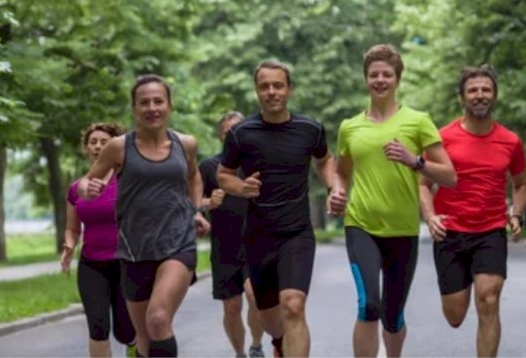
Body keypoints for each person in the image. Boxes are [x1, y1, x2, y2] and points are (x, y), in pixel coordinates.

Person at [335, 44, 457, 358]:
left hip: (402, 230)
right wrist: (337, 193)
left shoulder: (418, 122)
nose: (380, 80)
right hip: (360, 224)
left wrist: (413, 160)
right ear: (365, 79)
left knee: (392, 315)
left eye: (386, 74)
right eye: (373, 74)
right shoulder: (350, 127)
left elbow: (449, 176)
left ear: (397, 79)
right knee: (368, 305)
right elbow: (342, 173)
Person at [217, 60, 345, 358]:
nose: (271, 92)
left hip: (296, 233)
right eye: (265, 86)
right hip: (258, 236)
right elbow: (224, 174)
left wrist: (332, 188)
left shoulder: (309, 129)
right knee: (271, 319)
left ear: (289, 89)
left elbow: (325, 159)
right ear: (257, 91)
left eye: (278, 85)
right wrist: (241, 187)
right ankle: (277, 343)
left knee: (293, 305)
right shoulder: (241, 134)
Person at [79, 74, 210, 357]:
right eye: (144, 102)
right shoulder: (119, 147)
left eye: (158, 101)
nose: (152, 107)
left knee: (159, 318)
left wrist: (197, 210)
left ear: (169, 106)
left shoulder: (185, 144)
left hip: (178, 244)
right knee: (145, 340)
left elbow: (194, 177)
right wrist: (89, 188)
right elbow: (86, 182)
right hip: (134, 250)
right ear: (134, 108)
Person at [419, 65, 526, 357]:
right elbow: (422, 184)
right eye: (473, 90)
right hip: (450, 231)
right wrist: (430, 217)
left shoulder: (510, 141)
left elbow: (522, 184)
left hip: (490, 231)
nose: (480, 95)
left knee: (488, 300)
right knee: (455, 316)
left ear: (494, 96)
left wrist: (516, 214)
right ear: (462, 98)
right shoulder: (441, 138)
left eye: (486, 90)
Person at [61, 122, 137, 357]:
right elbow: (72, 228)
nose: (98, 146)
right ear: (86, 149)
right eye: (93, 142)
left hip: (125, 263)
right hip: (92, 264)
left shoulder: (128, 182)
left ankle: (135, 347)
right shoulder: (77, 189)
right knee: (97, 327)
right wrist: (69, 246)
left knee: (125, 331)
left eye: (104, 142)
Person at [199, 111, 265, 358]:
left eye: (238, 129)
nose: (233, 135)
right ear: (220, 135)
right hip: (224, 245)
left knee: (255, 296)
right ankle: (239, 353)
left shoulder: (258, 165)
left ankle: (257, 346)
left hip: (256, 242)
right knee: (231, 307)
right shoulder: (208, 167)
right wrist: (208, 203)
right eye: (227, 131)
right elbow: (194, 202)